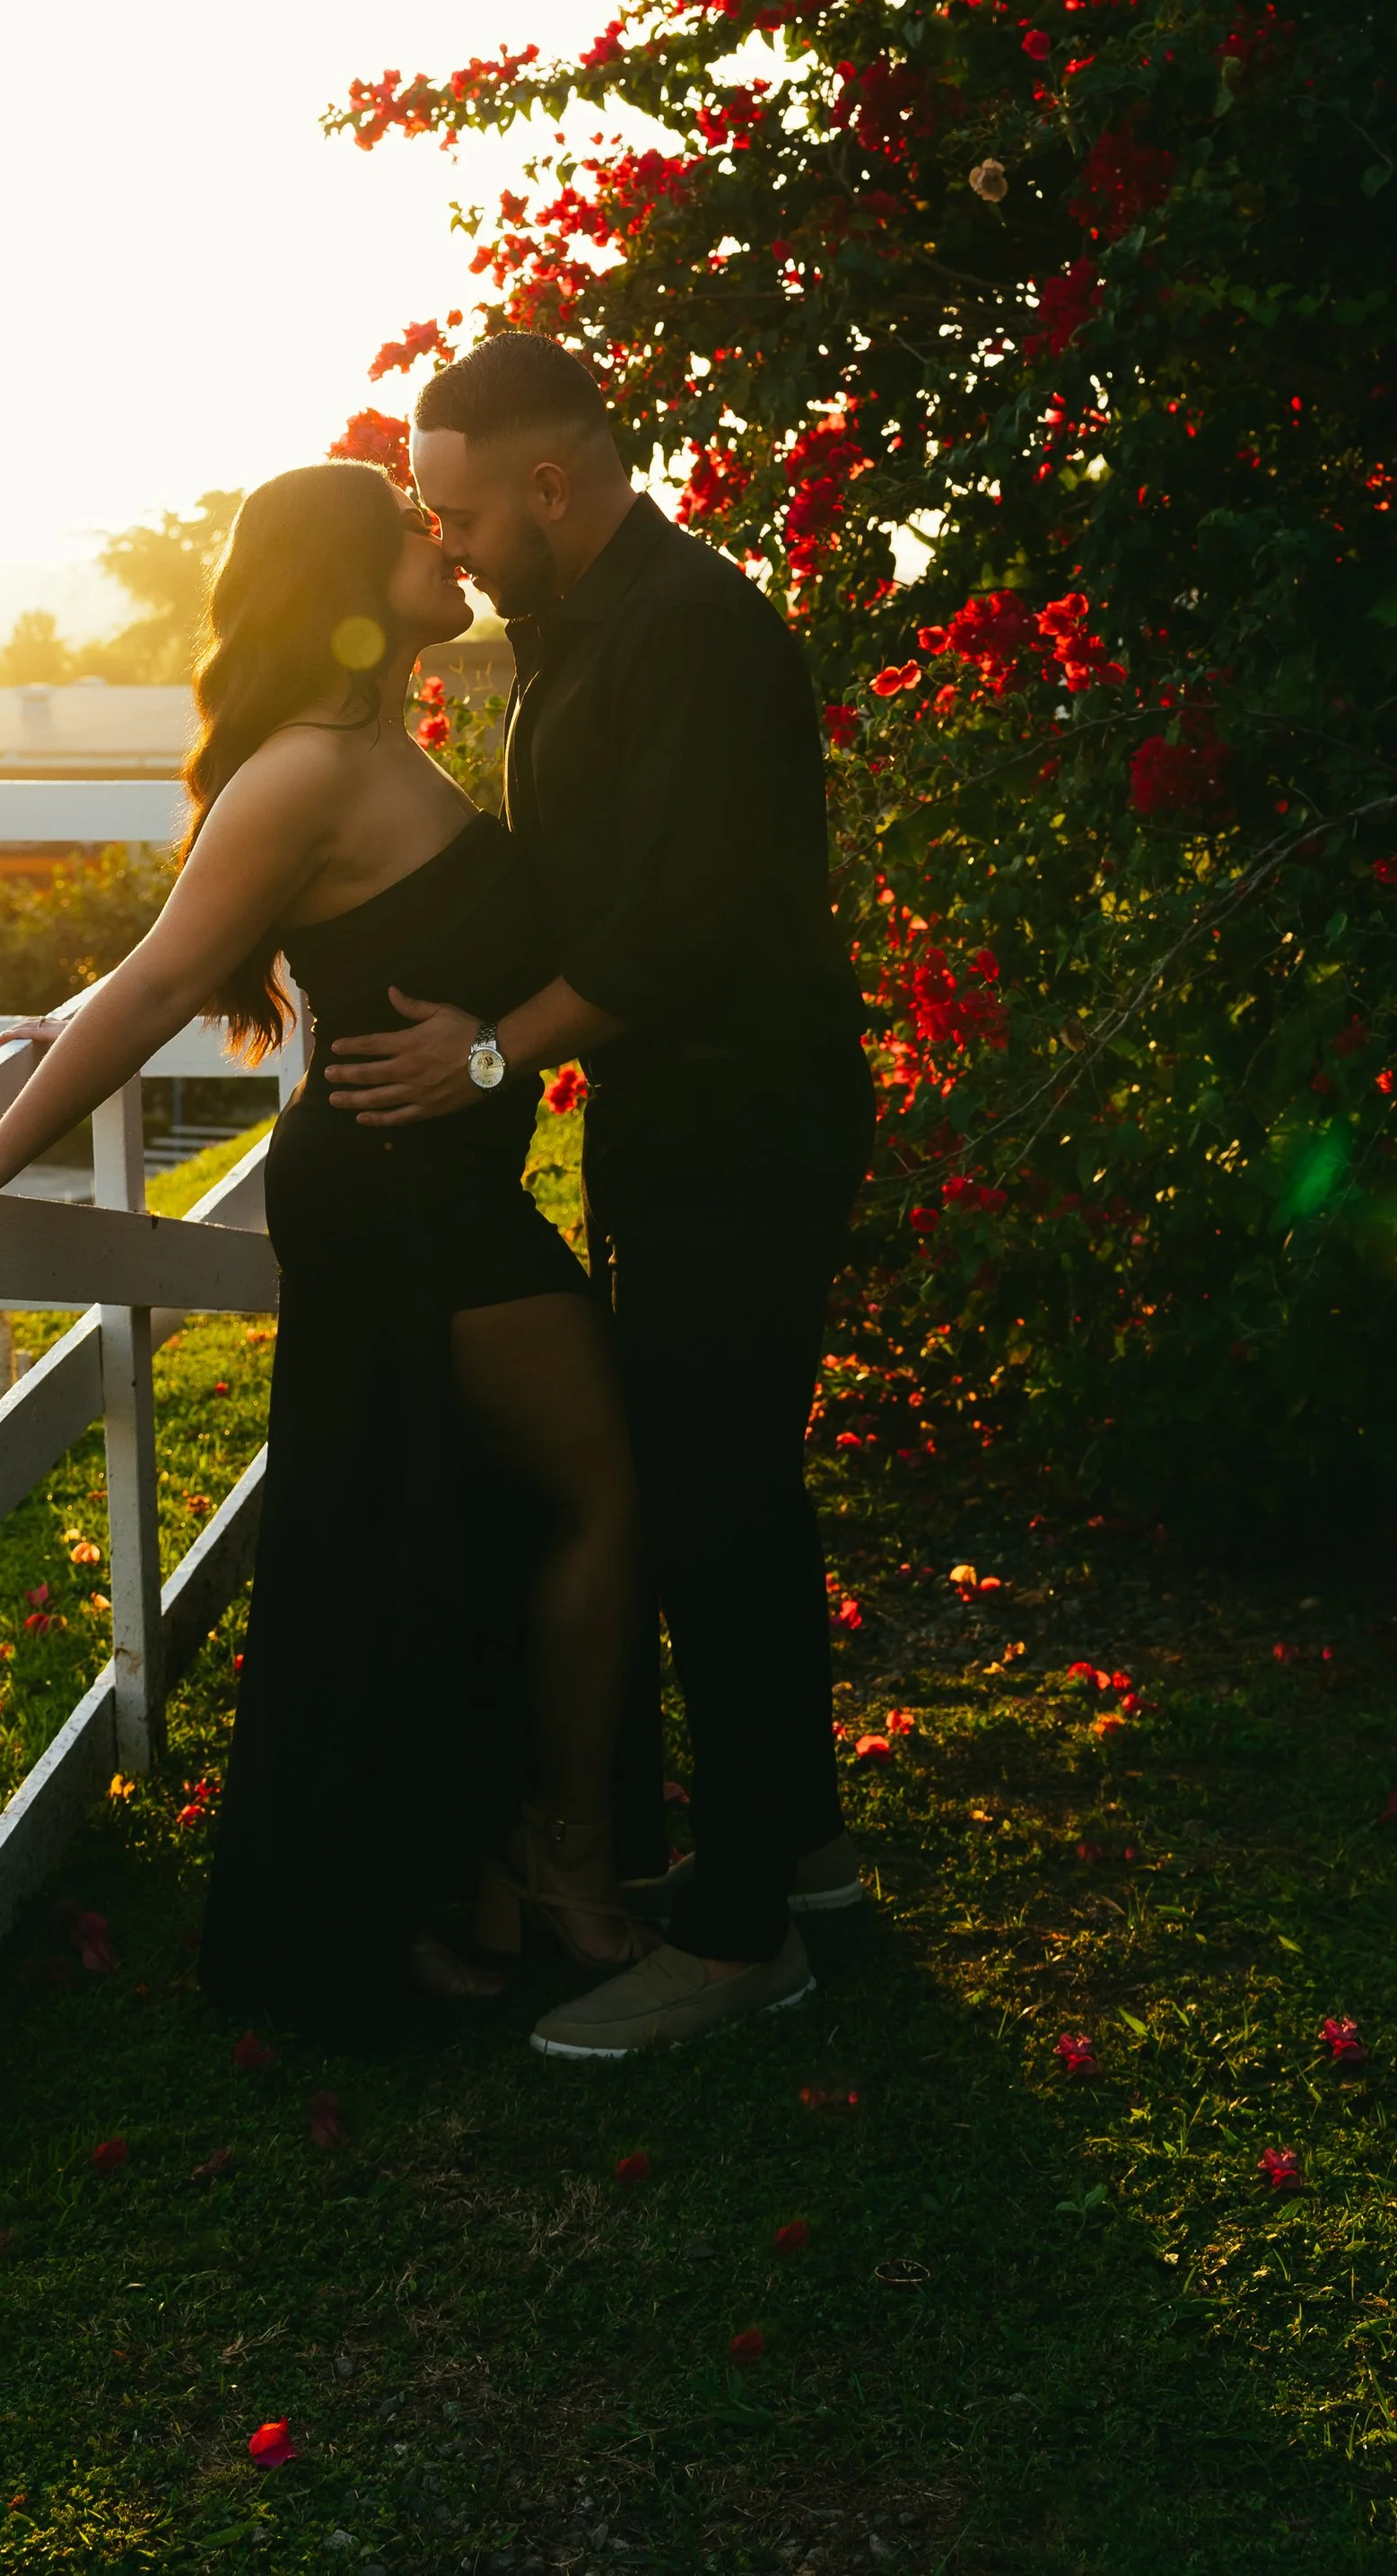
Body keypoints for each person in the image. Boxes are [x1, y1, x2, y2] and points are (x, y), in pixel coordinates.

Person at [0, 461, 649, 2046]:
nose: (439, 534)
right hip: (402, 1197)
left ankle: (461, 1875)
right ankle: (528, 1866)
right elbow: (154, 980)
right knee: (571, 1493)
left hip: (443, 1177)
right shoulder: (305, 771)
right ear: (346, 575)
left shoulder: (381, 743)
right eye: (409, 519)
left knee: (435, 1523)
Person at [324, 333, 876, 2061]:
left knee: (707, 1501)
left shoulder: (694, 631)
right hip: (675, 1127)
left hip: (751, 1124)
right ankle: (809, 1851)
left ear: (551, 482)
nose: (455, 542)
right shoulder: (576, 629)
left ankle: (733, 1943)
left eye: (466, 509)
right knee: (735, 1492)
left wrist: (485, 1059)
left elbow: (670, 932)